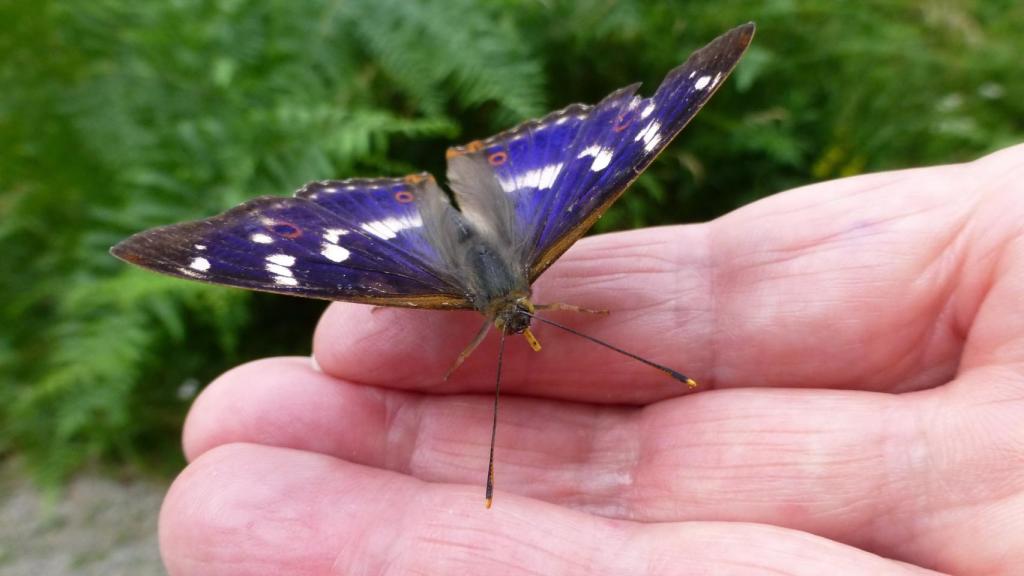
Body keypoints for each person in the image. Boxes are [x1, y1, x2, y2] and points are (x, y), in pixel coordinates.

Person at [158, 145, 1024, 575]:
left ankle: (425, 194)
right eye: (520, 321)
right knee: (309, 269)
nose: (525, 326)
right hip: (488, 218)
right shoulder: (480, 293)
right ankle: (265, 236)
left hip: (423, 244)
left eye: (523, 321)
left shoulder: (499, 296)